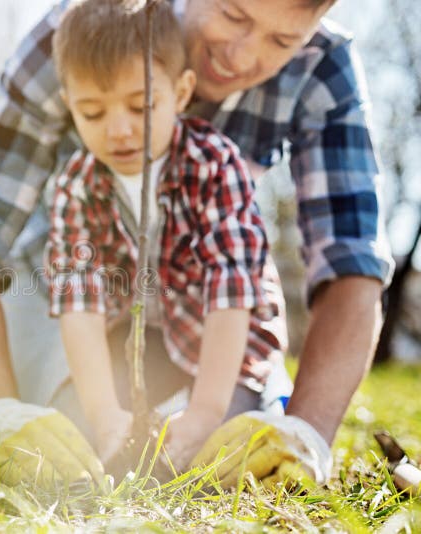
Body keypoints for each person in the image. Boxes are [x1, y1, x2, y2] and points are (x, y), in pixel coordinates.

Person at [0, 0, 393, 487]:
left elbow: (349, 263)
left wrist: (307, 432)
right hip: (63, 293)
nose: (241, 55)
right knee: (78, 431)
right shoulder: (79, 32)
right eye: (233, 15)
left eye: (281, 42)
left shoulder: (319, 71)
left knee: (232, 431)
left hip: (211, 308)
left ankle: (254, 403)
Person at [45, 0, 289, 471]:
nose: (118, 130)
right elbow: (80, 305)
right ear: (70, 104)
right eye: (92, 113)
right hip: (144, 339)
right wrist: (102, 416)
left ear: (180, 94)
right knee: (73, 432)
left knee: (217, 451)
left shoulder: (214, 165)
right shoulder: (76, 186)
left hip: (228, 341)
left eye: (141, 106)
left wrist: (204, 413)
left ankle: (272, 396)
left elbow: (230, 295)